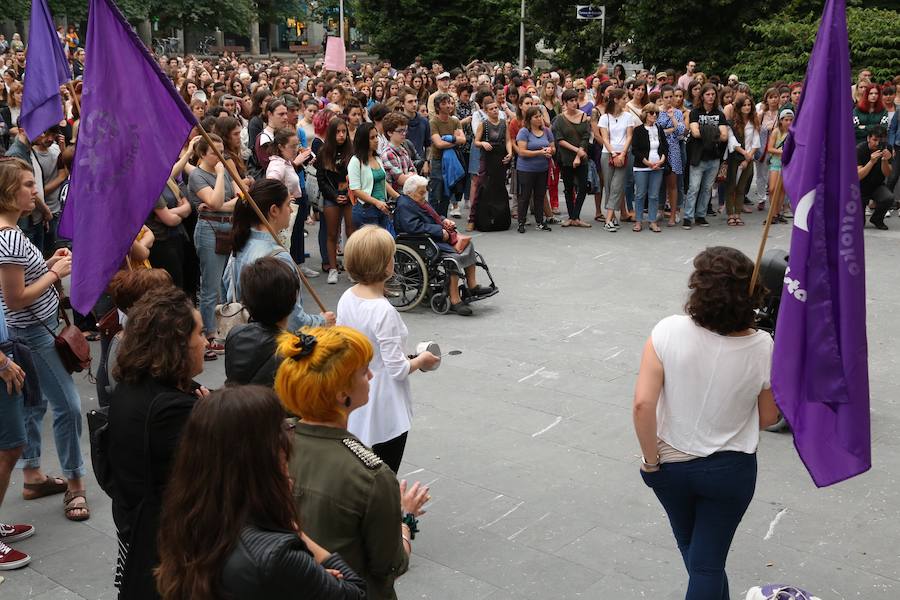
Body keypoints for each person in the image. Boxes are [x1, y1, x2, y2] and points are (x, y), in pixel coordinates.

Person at [633, 246, 779, 600]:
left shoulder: (667, 331)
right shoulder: (763, 346)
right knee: (705, 563)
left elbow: (642, 404)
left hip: (671, 463)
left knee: (698, 558)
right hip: (731, 469)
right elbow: (769, 417)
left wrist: (651, 462)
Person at [156, 385, 366, 599]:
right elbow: (355, 593)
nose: (289, 435)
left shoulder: (190, 517)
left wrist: (307, 578)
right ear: (264, 454)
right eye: (282, 429)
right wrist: (303, 546)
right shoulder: (277, 554)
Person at [275, 326, 431, 600]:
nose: (370, 376)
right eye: (362, 372)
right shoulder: (370, 475)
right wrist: (406, 520)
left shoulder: (273, 442)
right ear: (340, 393)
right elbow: (390, 565)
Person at [0, 157, 89, 522]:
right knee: (68, 406)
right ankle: (75, 484)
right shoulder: (8, 237)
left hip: (28, 331)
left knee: (34, 406)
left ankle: (33, 474)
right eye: (26, 184)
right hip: (32, 333)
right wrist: (54, 274)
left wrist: (47, 262)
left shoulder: (12, 234)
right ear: (8, 192)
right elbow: (15, 298)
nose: (34, 190)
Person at [108, 286, 208, 599]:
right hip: (168, 555)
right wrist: (209, 417)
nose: (205, 343)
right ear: (178, 345)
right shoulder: (171, 410)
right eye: (200, 334)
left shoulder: (133, 383)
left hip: (139, 532)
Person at [337, 226, 441, 470]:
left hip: (355, 390)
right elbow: (397, 369)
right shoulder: (384, 311)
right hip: (385, 401)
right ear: (385, 265)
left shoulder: (347, 297)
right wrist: (422, 360)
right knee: (385, 470)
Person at [225, 178, 333, 330]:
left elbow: (229, 292)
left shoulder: (241, 244)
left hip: (246, 336)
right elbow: (292, 319)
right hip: (276, 343)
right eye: (288, 204)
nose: (291, 210)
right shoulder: (278, 257)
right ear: (274, 210)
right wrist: (321, 321)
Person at [394, 176, 491, 316]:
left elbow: (433, 216)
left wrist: (444, 221)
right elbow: (413, 227)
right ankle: (454, 298)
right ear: (410, 193)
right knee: (453, 258)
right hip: (421, 240)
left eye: (424, 192)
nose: (424, 195)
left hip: (432, 236)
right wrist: (438, 231)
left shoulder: (417, 200)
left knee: (467, 244)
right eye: (421, 192)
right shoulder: (405, 205)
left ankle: (472, 285)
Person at [188, 133, 237, 359]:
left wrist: (219, 205)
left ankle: (219, 327)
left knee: (224, 282)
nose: (219, 156)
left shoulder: (225, 170)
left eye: (221, 151)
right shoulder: (198, 176)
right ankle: (208, 335)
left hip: (227, 227)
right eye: (214, 152)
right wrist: (219, 175)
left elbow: (240, 198)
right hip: (209, 230)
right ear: (202, 154)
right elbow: (216, 201)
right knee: (210, 286)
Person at [265, 127, 319, 278]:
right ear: (281, 147)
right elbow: (270, 185)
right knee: (284, 245)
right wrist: (285, 198)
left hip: (292, 209)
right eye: (293, 146)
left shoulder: (286, 162)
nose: (296, 149)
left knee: (291, 241)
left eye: (297, 145)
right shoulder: (277, 165)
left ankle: (291, 272)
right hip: (285, 211)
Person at [683, 84, 728, 230]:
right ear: (702, 96)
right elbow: (694, 132)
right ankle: (688, 217)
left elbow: (724, 136)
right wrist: (714, 132)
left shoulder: (720, 114)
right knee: (694, 188)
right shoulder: (695, 112)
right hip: (698, 156)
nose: (710, 97)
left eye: (713, 94)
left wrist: (705, 131)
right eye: (708, 94)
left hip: (714, 158)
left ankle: (700, 215)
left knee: (707, 188)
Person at [316, 117, 354, 285]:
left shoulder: (351, 151)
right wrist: (333, 195)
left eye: (344, 131)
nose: (341, 135)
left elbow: (355, 175)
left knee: (352, 233)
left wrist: (347, 192)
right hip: (331, 197)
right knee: (332, 234)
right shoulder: (324, 152)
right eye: (338, 132)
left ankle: (352, 268)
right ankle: (332, 268)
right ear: (332, 133)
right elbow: (321, 179)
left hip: (350, 195)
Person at [470, 96, 512, 230]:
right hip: (487, 159)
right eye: (491, 109)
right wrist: (483, 143)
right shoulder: (484, 124)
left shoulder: (504, 123)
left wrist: (510, 153)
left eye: (496, 108)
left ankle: (501, 219)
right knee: (484, 187)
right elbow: (476, 142)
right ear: (486, 111)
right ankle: (474, 218)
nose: (494, 110)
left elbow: (508, 140)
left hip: (500, 158)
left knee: (500, 187)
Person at [348, 122, 400, 230]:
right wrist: (376, 202)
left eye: (376, 136)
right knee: (370, 246)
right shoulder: (355, 161)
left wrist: (398, 197)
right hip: (366, 210)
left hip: (382, 208)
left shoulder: (377, 158)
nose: (376, 140)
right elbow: (355, 190)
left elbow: (382, 182)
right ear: (363, 141)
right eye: (372, 138)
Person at [552, 89, 592, 227]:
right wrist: (577, 152)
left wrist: (579, 154)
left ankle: (575, 217)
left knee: (583, 187)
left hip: (582, 156)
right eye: (571, 101)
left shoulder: (584, 116)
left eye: (576, 100)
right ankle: (572, 216)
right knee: (568, 188)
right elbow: (559, 140)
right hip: (566, 157)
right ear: (564, 102)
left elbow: (586, 136)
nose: (575, 103)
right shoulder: (559, 119)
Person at [598, 89, 635, 231]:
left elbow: (629, 136)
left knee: (617, 186)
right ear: (616, 100)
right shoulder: (604, 118)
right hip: (608, 154)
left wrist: (622, 153)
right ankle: (612, 217)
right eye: (624, 98)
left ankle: (608, 220)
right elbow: (605, 138)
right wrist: (613, 153)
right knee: (608, 186)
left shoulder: (628, 116)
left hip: (623, 153)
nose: (626, 100)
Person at [515, 106, 555, 233]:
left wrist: (550, 151)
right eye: (536, 117)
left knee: (540, 195)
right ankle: (521, 222)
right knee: (525, 196)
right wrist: (540, 152)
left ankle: (540, 221)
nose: (539, 119)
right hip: (526, 169)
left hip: (542, 168)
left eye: (540, 116)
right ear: (529, 119)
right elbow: (522, 152)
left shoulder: (547, 131)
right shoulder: (524, 132)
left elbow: (553, 148)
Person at [631, 103, 669, 233]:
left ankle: (652, 221)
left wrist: (662, 160)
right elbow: (635, 150)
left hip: (658, 166)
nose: (654, 116)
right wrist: (647, 162)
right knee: (640, 194)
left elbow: (665, 147)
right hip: (642, 167)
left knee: (654, 195)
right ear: (645, 114)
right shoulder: (638, 130)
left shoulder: (659, 129)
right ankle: (638, 220)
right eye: (652, 113)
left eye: (656, 113)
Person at [428, 93, 465, 218]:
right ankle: (433, 220)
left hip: (452, 160)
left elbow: (463, 139)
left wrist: (452, 139)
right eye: (444, 103)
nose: (448, 105)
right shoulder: (433, 122)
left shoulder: (455, 121)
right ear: (438, 107)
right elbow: (438, 143)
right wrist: (455, 141)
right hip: (438, 161)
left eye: (449, 102)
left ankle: (444, 222)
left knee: (446, 193)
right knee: (436, 193)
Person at [725, 96, 760, 226]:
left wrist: (749, 156)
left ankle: (738, 213)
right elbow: (732, 141)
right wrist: (744, 153)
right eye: (744, 105)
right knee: (731, 186)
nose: (747, 107)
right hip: (735, 157)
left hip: (748, 158)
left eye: (749, 105)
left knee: (741, 187)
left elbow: (756, 142)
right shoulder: (732, 123)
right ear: (739, 107)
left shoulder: (754, 122)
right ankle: (730, 214)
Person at [657, 86, 686, 227]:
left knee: (673, 184)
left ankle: (673, 215)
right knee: (658, 183)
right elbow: (656, 131)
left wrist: (672, 117)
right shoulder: (656, 112)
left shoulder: (678, 113)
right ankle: (659, 210)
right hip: (658, 150)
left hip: (673, 150)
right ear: (662, 98)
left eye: (671, 97)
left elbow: (680, 131)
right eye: (666, 97)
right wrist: (670, 130)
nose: (669, 100)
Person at [857, 126, 893, 230]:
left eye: (880, 141)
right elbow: (858, 176)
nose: (877, 144)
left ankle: (877, 219)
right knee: (859, 225)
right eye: (875, 140)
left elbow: (887, 173)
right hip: (859, 187)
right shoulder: (860, 149)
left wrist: (885, 160)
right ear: (868, 138)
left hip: (877, 185)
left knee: (888, 197)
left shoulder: (887, 148)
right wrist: (871, 162)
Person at [766, 108, 793, 225]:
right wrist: (783, 152)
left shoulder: (794, 133)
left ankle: (778, 213)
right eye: (786, 120)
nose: (788, 122)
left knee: (782, 189)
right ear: (781, 120)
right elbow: (770, 148)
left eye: (791, 120)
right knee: (772, 188)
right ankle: (773, 213)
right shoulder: (776, 132)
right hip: (776, 163)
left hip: (787, 163)